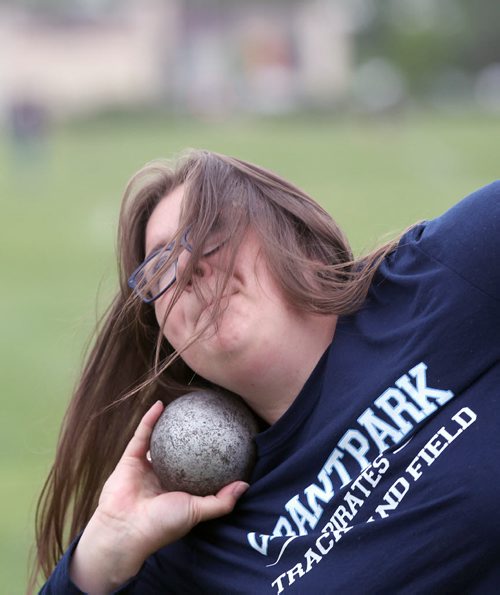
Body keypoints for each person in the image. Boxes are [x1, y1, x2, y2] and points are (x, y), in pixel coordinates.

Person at [33, 150, 500, 594]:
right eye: (159, 267)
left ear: (292, 234)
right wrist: (106, 548)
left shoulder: (443, 279)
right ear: (167, 338)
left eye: (210, 229)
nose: (187, 268)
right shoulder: (203, 532)